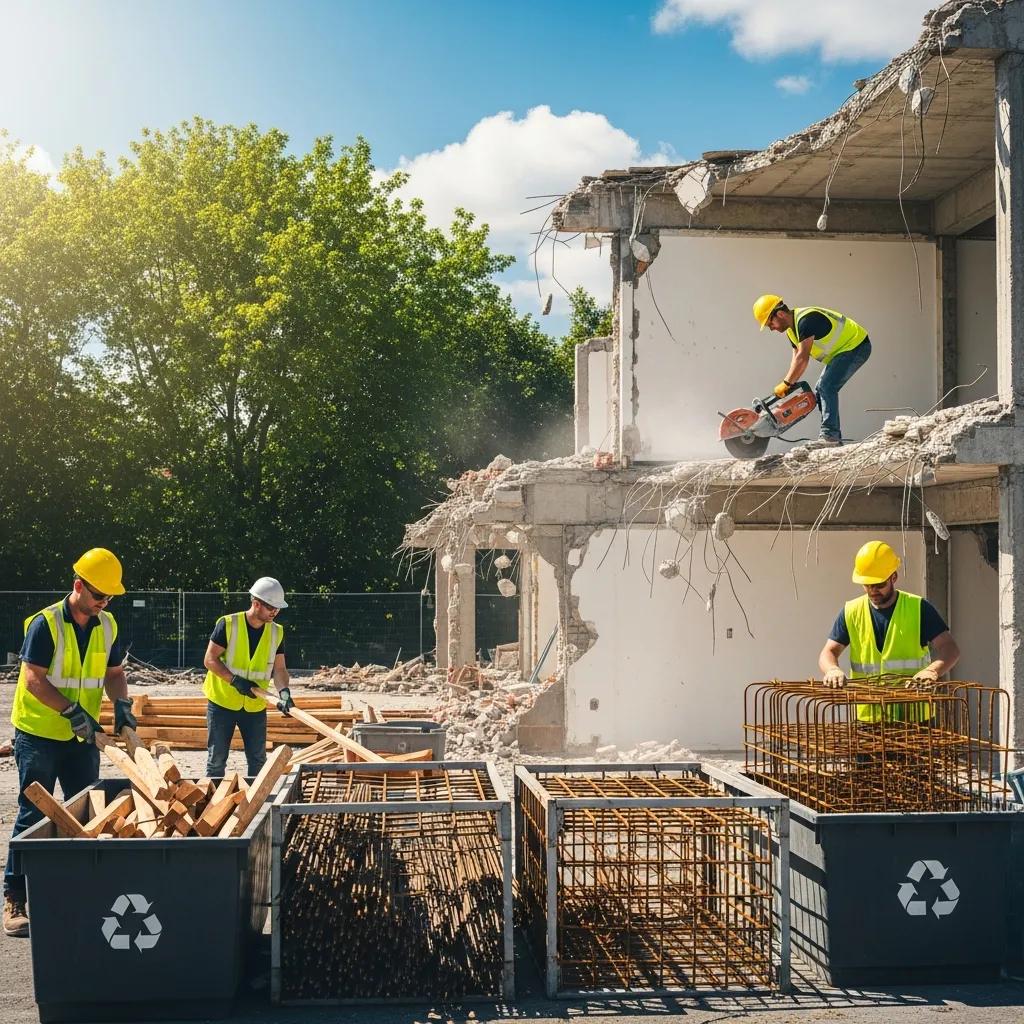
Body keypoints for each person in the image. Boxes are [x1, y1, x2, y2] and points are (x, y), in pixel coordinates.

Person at [4, 548, 137, 938]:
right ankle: (15, 897)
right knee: (33, 816)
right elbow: (33, 679)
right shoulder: (46, 624)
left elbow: (114, 674)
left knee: (86, 814)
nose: (103, 603)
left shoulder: (107, 624)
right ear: (78, 585)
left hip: (82, 737)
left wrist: (123, 707)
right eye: (98, 595)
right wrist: (71, 711)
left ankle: (79, 893)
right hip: (39, 734)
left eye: (109, 597)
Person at [818, 541, 960, 722]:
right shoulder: (851, 611)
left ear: (894, 577)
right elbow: (828, 652)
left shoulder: (918, 608)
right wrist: (832, 669)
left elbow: (950, 649)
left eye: (879, 584)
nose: (873, 590)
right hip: (869, 719)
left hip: (913, 716)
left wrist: (932, 671)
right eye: (867, 585)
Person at [752, 294, 872, 449]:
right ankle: (832, 437)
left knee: (826, 387)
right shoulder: (791, 331)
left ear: (780, 314)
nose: (771, 328)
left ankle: (830, 437)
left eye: (770, 323)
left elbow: (803, 357)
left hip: (856, 346)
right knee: (820, 391)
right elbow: (796, 358)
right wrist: (787, 383)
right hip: (842, 352)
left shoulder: (806, 321)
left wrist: (787, 383)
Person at [202, 577, 294, 779]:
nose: (275, 612)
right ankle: (213, 799)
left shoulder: (276, 632)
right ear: (256, 603)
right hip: (222, 702)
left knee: (258, 761)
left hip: (255, 706)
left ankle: (257, 798)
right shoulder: (228, 624)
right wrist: (234, 680)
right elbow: (209, 659)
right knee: (216, 761)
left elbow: (279, 669)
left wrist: (284, 692)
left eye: (278, 608)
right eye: (271, 607)